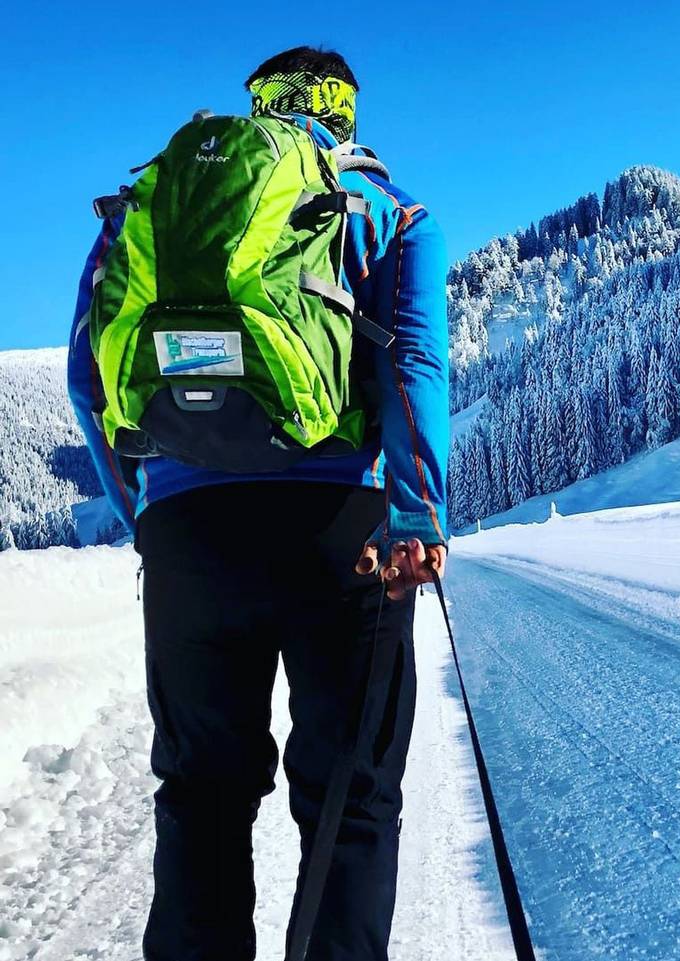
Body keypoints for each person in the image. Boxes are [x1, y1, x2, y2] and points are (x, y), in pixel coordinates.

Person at [66, 46, 449, 960]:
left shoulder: (163, 199)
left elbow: (88, 378)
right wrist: (418, 517)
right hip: (343, 530)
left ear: (256, 109)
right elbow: (415, 365)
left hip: (190, 532)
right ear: (345, 112)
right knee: (352, 801)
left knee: (201, 792)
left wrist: (147, 517)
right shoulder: (391, 213)